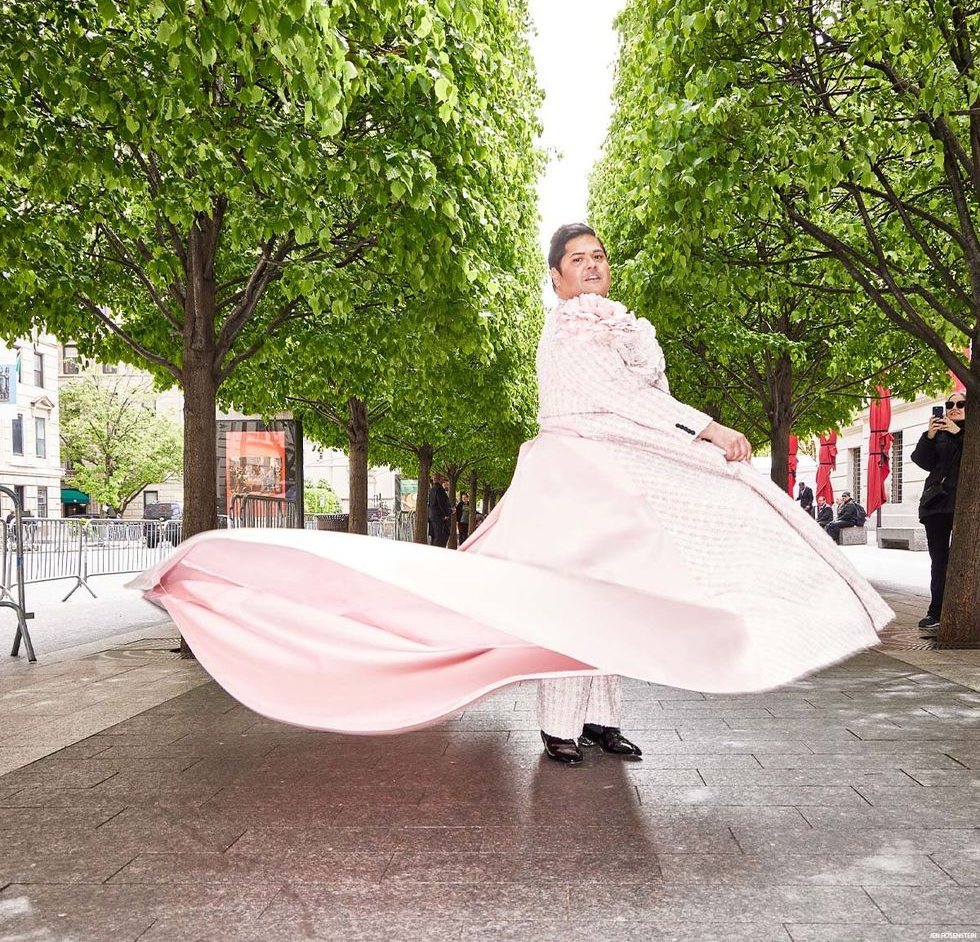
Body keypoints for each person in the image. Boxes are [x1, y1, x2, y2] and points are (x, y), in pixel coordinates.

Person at [133, 223, 891, 768]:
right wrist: (705, 427)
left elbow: (633, 402)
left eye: (598, 257)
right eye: (576, 259)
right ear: (556, 278)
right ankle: (560, 729)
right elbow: (617, 401)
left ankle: (598, 721)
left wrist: (693, 439)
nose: (591, 267)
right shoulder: (567, 333)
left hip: (613, 481)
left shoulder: (619, 327)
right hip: (575, 484)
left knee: (614, 598)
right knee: (568, 600)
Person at [911, 392, 966, 631]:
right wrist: (930, 435)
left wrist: (957, 432)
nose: (954, 408)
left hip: (965, 504)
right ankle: (936, 611)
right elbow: (921, 461)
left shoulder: (970, 432)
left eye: (960, 404)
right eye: (950, 404)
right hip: (938, 504)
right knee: (939, 560)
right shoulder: (939, 433)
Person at [427, 475, 452, 548]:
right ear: (439, 480)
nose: (443, 480)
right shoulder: (440, 489)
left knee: (434, 537)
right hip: (440, 518)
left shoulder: (431, 490)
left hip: (432, 517)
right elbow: (442, 503)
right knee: (441, 537)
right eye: (442, 479)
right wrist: (447, 513)